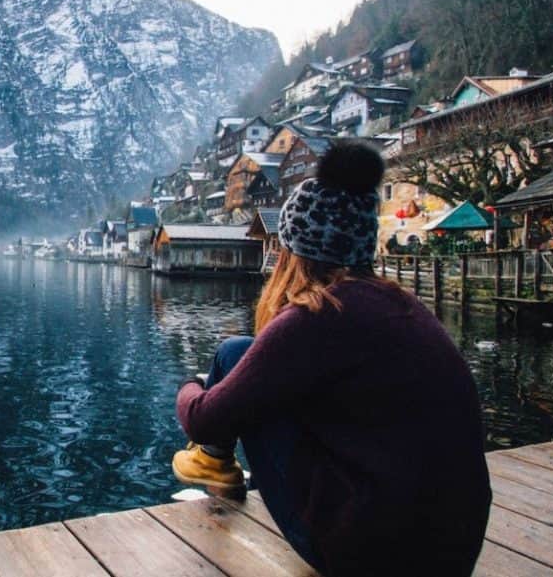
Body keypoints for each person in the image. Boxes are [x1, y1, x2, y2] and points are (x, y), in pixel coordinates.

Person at [172, 140, 492, 576]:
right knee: (238, 353)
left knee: (236, 387)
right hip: (453, 552)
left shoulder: (317, 315)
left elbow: (203, 418)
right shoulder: (404, 306)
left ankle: (212, 461)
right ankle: (214, 459)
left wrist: (189, 386)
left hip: (371, 558)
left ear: (294, 250)